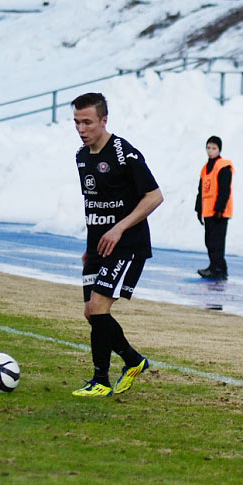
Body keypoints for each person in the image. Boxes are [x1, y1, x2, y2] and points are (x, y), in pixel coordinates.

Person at [70, 92, 163, 397]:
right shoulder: (82, 157)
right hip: (98, 246)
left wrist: (119, 229)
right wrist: (91, 245)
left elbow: (154, 197)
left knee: (98, 310)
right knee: (90, 313)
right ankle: (133, 361)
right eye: (76, 122)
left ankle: (100, 380)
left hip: (127, 244)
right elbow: (95, 205)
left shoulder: (124, 153)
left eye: (88, 122)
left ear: (103, 120)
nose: (82, 129)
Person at [195, 135, 233, 280]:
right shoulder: (205, 168)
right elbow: (201, 190)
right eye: (208, 148)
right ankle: (215, 266)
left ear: (219, 149)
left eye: (213, 148)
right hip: (208, 211)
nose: (210, 151)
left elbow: (225, 190)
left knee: (217, 242)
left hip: (219, 212)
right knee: (209, 241)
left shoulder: (223, 166)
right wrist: (198, 209)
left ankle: (218, 269)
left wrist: (219, 208)